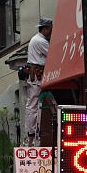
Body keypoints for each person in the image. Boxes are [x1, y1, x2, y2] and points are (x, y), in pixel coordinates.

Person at [24, 18, 53, 146]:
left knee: (33, 103)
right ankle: (32, 130)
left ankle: (32, 130)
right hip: (37, 73)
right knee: (34, 103)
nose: (50, 32)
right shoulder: (40, 41)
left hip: (34, 73)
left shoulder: (35, 39)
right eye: (50, 29)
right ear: (45, 29)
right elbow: (53, 53)